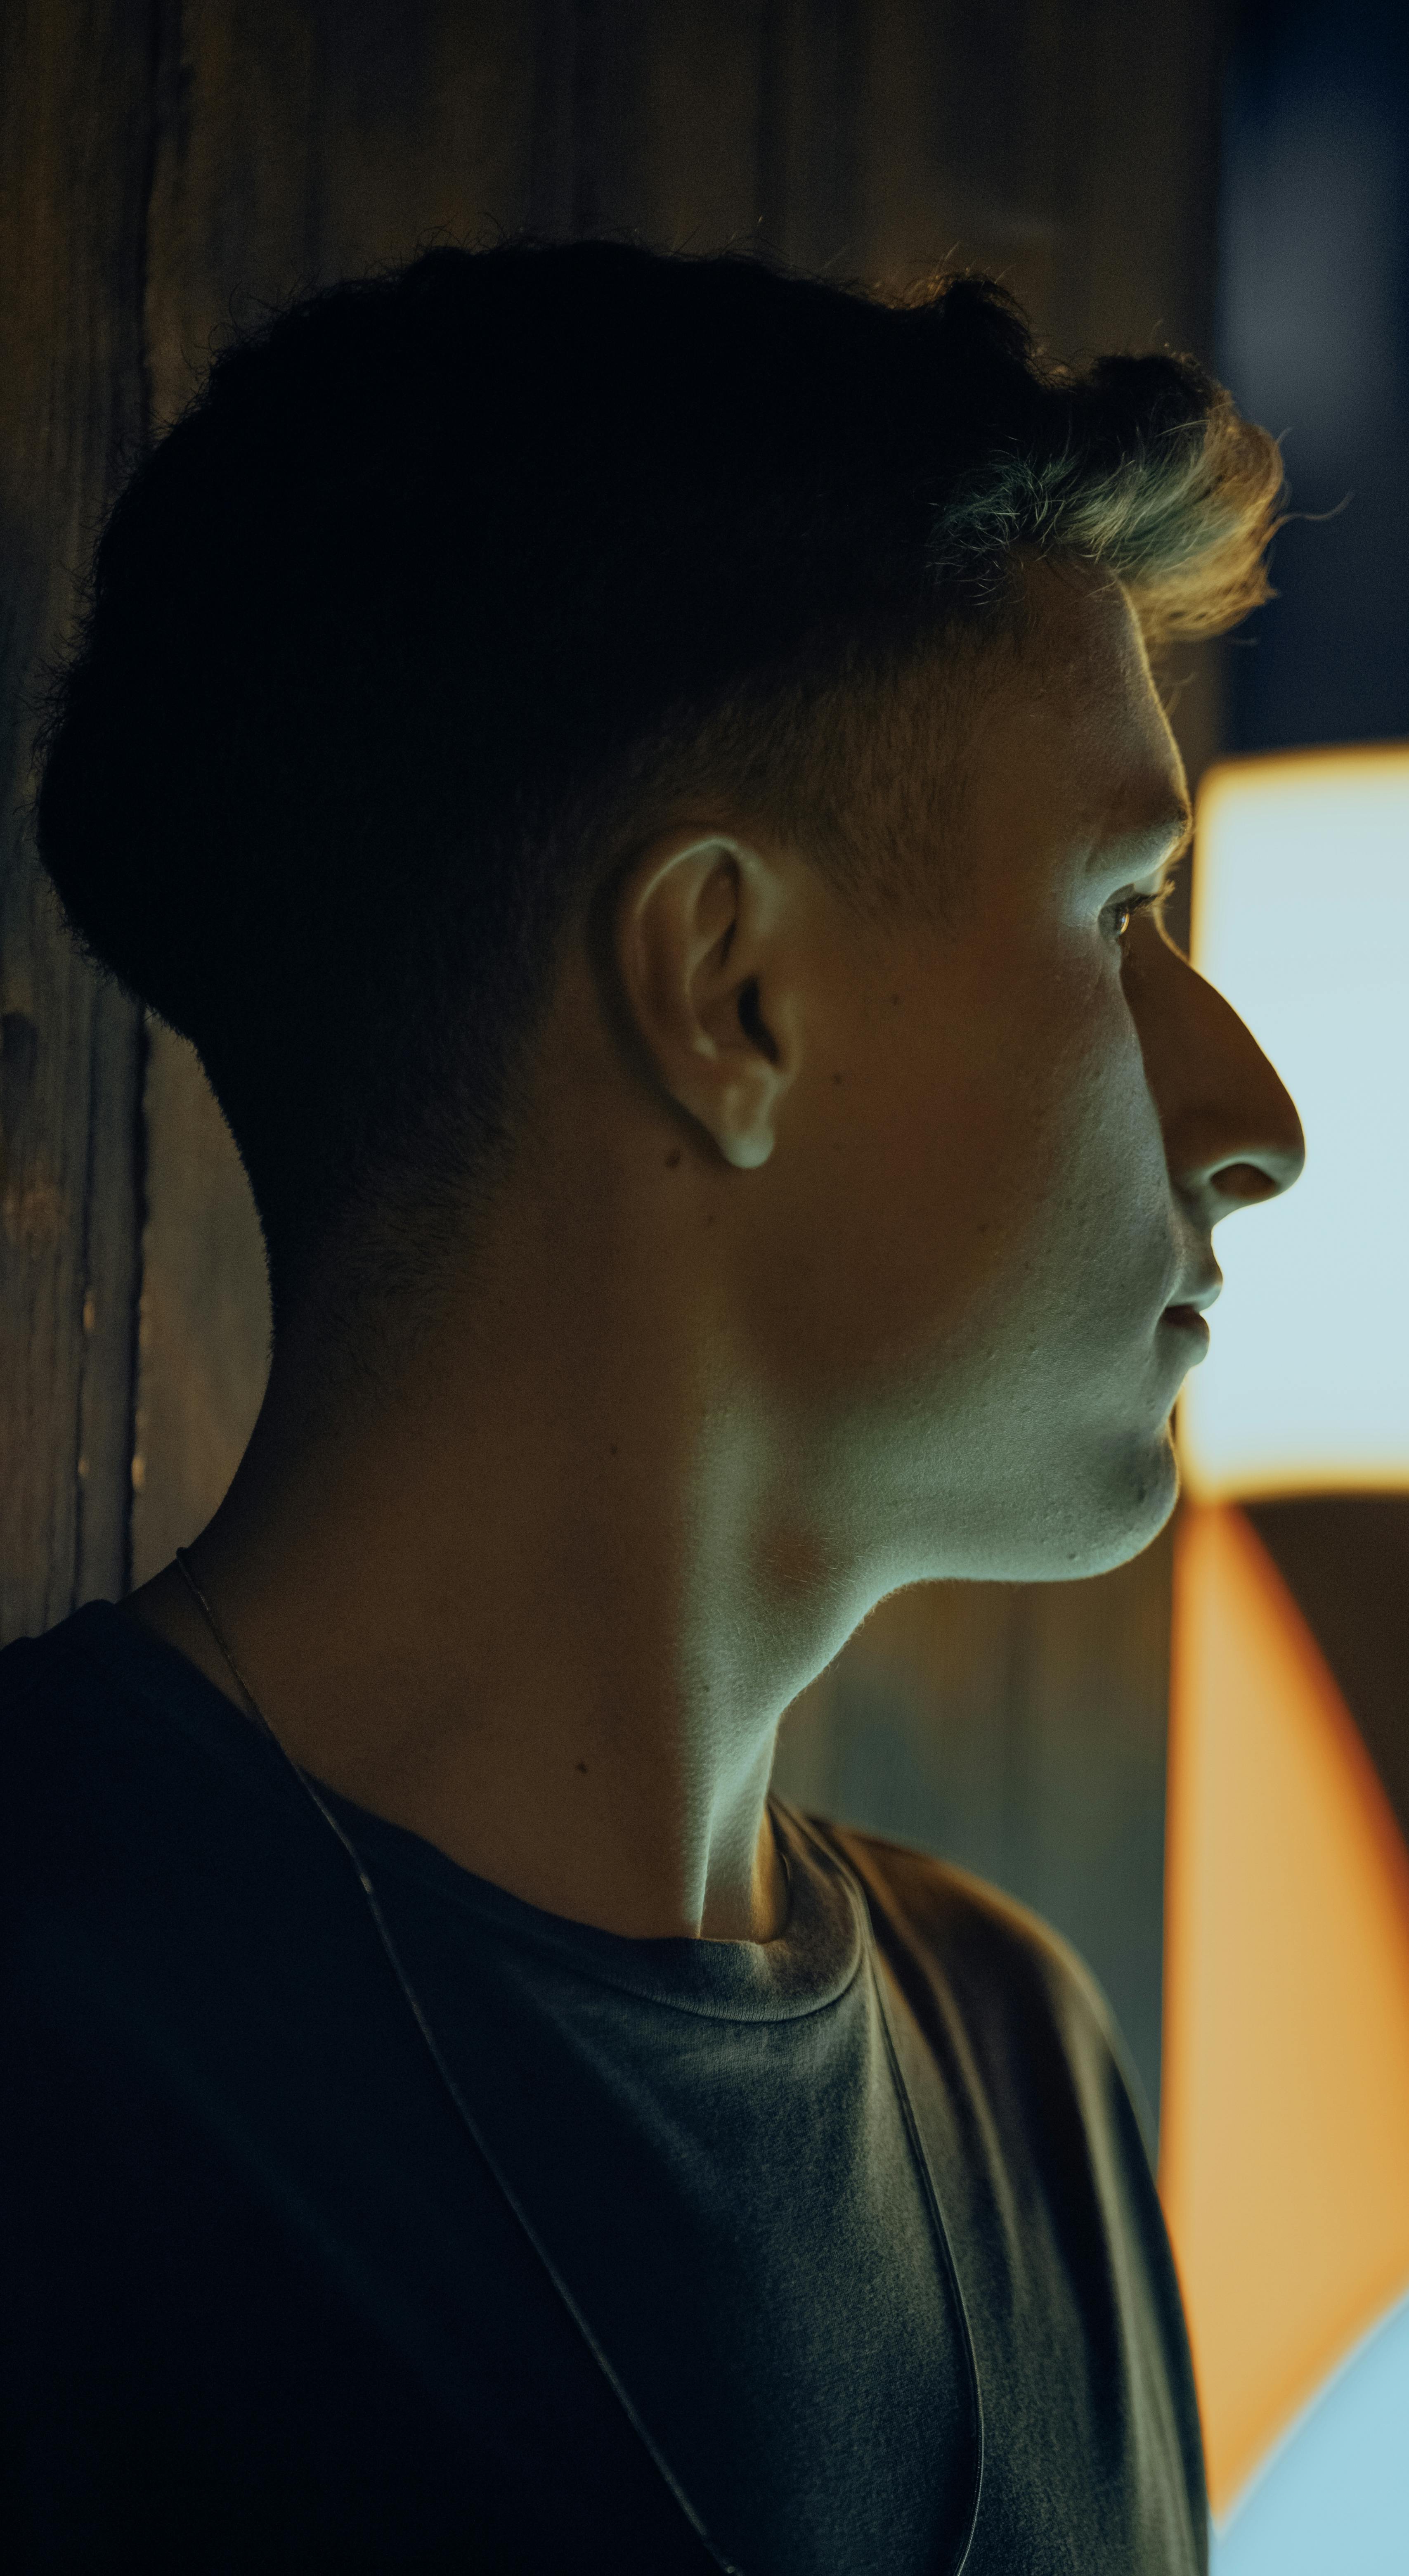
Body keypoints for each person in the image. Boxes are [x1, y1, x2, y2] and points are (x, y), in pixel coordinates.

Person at [4, 240, 1303, 2573]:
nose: (1255, 1112)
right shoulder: (55, 2029)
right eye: (1126, 915)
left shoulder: (1023, 2075)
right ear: (729, 990)